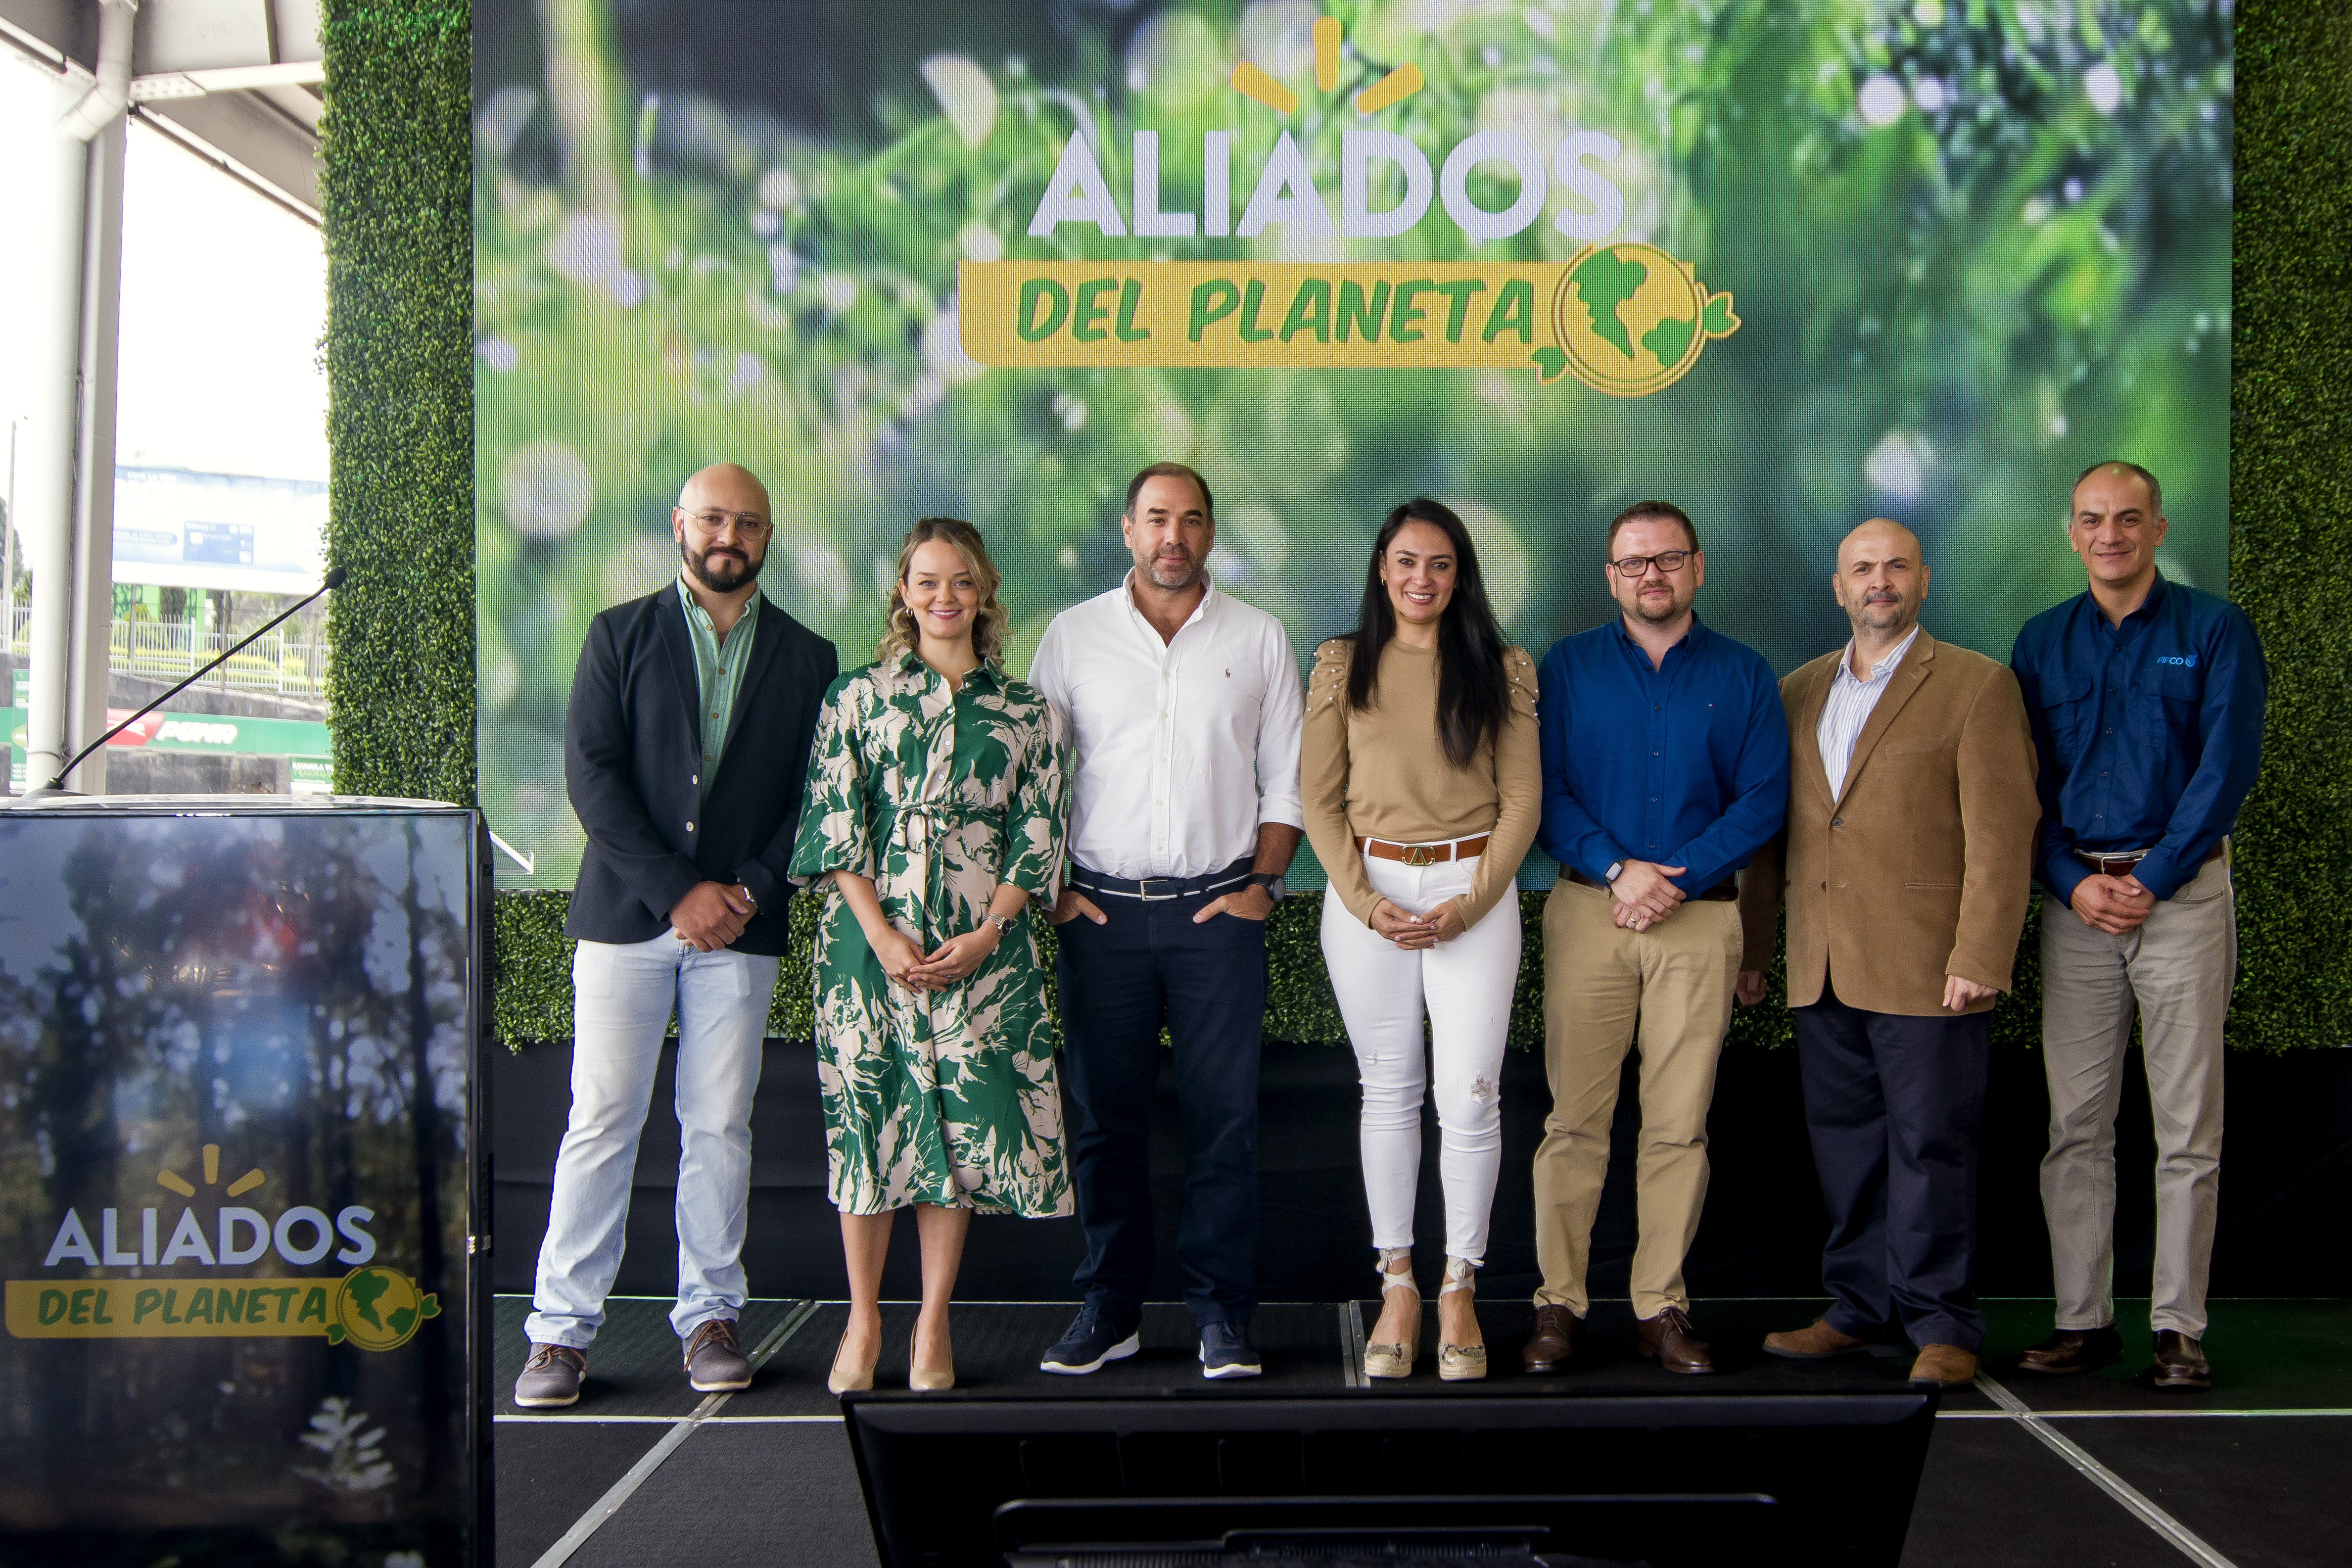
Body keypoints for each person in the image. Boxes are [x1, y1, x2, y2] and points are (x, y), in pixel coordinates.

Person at [516, 463, 838, 1409]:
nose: (726, 534)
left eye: (745, 521)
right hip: (625, 923)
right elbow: (592, 775)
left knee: (718, 1124)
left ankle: (709, 1317)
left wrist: (743, 890)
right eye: (711, 519)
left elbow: (812, 795)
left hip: (742, 926)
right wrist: (677, 892)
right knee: (602, 1121)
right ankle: (559, 1334)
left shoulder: (807, 655)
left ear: (767, 537)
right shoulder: (618, 633)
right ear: (678, 525)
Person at [1735, 519, 2039, 1390]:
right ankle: (1858, 1307)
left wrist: (1980, 950)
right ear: (1838, 588)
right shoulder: (1795, 692)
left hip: (1930, 967)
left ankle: (1941, 1322)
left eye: (1894, 566)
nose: (1879, 581)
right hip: (1820, 962)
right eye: (1862, 569)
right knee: (1846, 1145)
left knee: (1931, 1145)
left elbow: (2003, 833)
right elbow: (1771, 838)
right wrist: (1759, 949)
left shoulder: (1977, 687)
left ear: (1922, 580)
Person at [1027, 461, 1305, 1380]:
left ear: (1210, 534)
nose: (1171, 537)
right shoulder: (1072, 638)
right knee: (1105, 1123)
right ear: (1127, 529)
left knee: (1222, 1120)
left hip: (1217, 912)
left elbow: (1287, 778)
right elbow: (1037, 777)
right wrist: (1056, 889)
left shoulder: (1259, 638)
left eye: (1189, 520)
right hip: (1099, 913)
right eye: (1156, 519)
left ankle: (1222, 1314)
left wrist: (1263, 883)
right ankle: (1109, 1307)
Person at [790, 518, 1072, 1396]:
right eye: (926, 582)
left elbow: (1039, 832)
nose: (943, 597)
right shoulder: (853, 697)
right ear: (902, 595)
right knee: (870, 1126)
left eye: (960, 582)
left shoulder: (1028, 710)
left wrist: (990, 932)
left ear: (984, 592)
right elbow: (836, 826)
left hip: (980, 949)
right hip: (867, 947)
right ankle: (864, 1317)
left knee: (953, 1132)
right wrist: (880, 936)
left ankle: (933, 1320)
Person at [2009, 461, 2265, 1391]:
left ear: (2157, 527)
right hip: (2076, 907)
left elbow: (2226, 767)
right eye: (2090, 519)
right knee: (2075, 1122)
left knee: (2185, 1123)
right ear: (2069, 533)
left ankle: (2176, 1326)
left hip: (2182, 899)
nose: (2108, 533)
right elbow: (2021, 788)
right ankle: (2082, 1320)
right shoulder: (2039, 643)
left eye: (2127, 518)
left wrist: (2151, 877)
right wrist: (2073, 882)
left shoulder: (2212, 630)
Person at [1522, 500, 1789, 1377]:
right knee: (1574, 1122)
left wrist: (1670, 874)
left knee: (1678, 1125)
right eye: (1634, 563)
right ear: (1610, 576)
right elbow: (1544, 789)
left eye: (1667, 560)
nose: (1651, 576)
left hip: (1700, 917)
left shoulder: (1746, 674)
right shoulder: (1566, 668)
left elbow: (1761, 801)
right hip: (1588, 911)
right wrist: (1616, 869)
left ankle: (1659, 1305)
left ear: (1697, 567)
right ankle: (1558, 1304)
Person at [1301, 499, 1541, 1382]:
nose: (1421, 579)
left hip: (1471, 890)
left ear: (1459, 574)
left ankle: (1458, 1285)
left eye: (1439, 564)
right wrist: (1366, 904)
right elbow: (1319, 801)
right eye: (1406, 561)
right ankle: (1397, 1278)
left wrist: (1470, 903)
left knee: (1471, 1096)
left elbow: (1521, 802)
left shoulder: (1501, 667)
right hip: (1370, 892)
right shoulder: (1340, 663)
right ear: (1380, 566)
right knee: (1388, 1092)